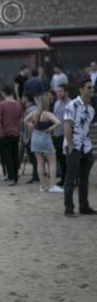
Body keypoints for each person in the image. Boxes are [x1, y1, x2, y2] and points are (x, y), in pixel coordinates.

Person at [63, 78, 95, 216]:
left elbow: (86, 128)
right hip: (74, 146)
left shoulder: (91, 109)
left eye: (92, 87)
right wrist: (70, 146)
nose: (91, 90)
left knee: (84, 179)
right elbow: (67, 126)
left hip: (86, 147)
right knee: (70, 179)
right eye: (89, 87)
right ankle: (68, 208)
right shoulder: (72, 105)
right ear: (81, 89)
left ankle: (84, 206)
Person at [24, 96, 64, 193]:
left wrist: (32, 126)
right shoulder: (47, 114)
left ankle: (42, 186)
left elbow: (25, 120)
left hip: (35, 137)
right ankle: (52, 185)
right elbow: (58, 122)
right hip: (45, 137)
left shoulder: (34, 113)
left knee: (40, 162)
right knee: (52, 162)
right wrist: (51, 128)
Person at [0, 86, 24, 185]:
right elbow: (21, 120)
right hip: (16, 132)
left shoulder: (1, 105)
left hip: (5, 133)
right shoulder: (18, 104)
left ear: (4, 93)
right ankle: (16, 176)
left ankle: (11, 177)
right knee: (15, 155)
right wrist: (19, 130)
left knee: (8, 156)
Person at [52, 84, 70, 186]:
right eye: (57, 91)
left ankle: (72, 179)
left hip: (67, 135)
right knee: (60, 158)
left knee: (68, 159)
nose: (58, 93)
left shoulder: (71, 104)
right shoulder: (56, 103)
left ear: (66, 92)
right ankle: (63, 178)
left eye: (60, 91)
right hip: (57, 135)